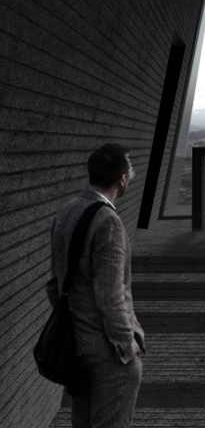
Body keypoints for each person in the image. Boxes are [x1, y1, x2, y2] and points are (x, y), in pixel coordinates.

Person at [47, 143, 144, 427]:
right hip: (107, 351)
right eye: (131, 169)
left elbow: (54, 285)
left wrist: (76, 322)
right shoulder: (108, 222)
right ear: (122, 179)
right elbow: (111, 296)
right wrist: (126, 350)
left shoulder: (66, 211)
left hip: (76, 345)